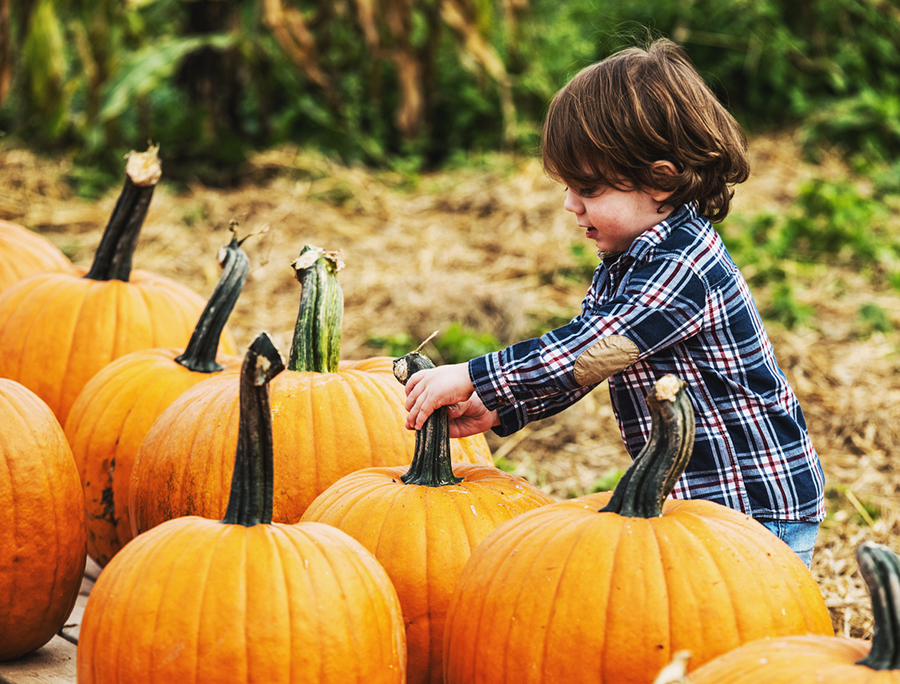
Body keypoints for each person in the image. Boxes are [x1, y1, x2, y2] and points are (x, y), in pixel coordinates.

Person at [402, 37, 825, 567]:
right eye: (567, 186)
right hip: (697, 507)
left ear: (661, 181)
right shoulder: (630, 258)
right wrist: (502, 406)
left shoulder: (682, 267)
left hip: (755, 508)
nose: (569, 204)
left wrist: (477, 376)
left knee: (751, 640)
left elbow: (590, 347)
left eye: (590, 189)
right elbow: (590, 365)